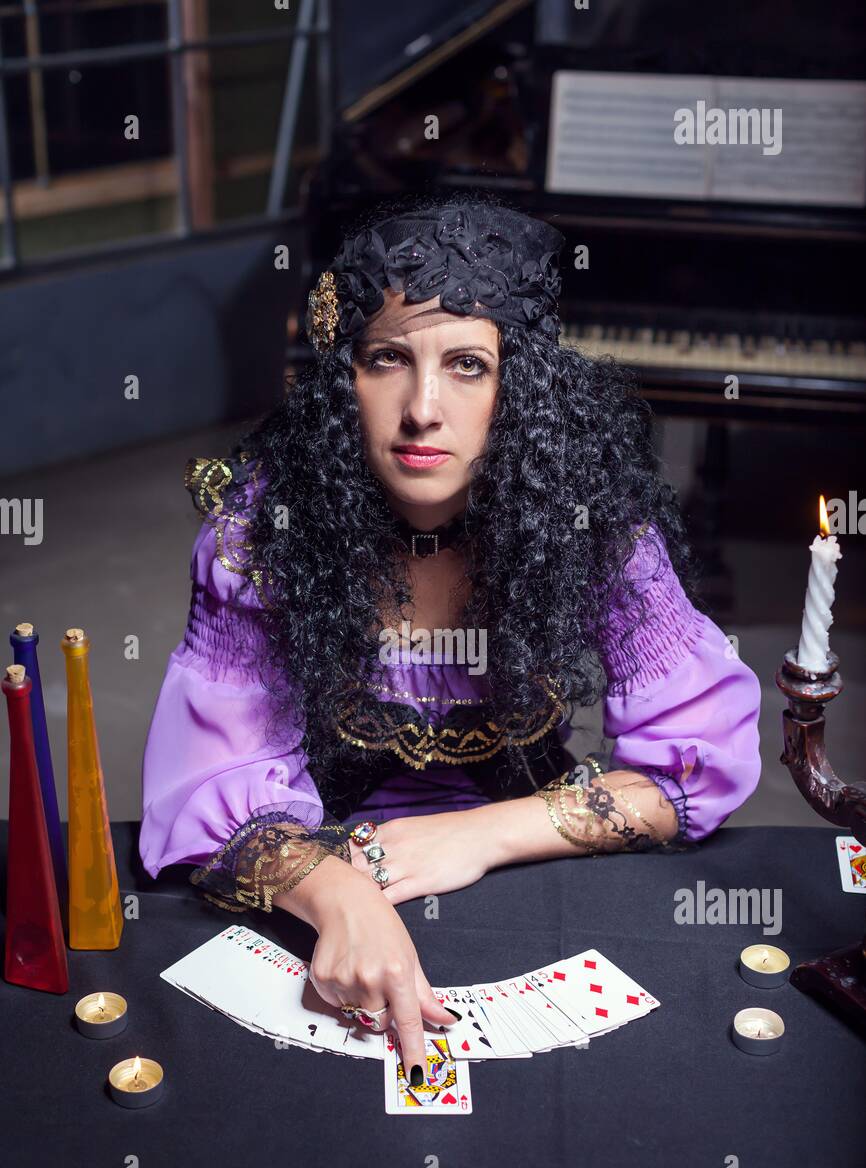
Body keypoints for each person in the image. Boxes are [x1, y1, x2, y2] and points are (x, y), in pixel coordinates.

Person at [139, 193, 761, 1085]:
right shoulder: (260, 533)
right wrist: (336, 889)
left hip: (535, 866)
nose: (422, 408)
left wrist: (477, 837)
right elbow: (207, 784)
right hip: (326, 868)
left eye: (468, 365)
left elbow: (693, 770)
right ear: (340, 377)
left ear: (522, 387)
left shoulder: (591, 525)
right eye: (388, 358)